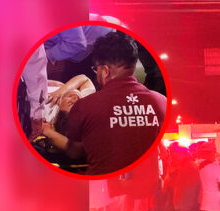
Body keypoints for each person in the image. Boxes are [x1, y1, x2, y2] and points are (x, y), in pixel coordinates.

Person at [41, 31, 166, 175]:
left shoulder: (85, 106)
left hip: (102, 184)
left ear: (105, 71)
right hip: (146, 183)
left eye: (96, 69)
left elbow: (75, 152)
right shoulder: (161, 102)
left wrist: (48, 132)